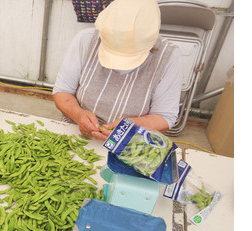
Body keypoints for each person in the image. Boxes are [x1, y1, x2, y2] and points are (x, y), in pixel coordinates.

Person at [53, 0, 182, 141]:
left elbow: (165, 117)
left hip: (133, 141)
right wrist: (79, 115)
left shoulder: (168, 56)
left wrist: (130, 127)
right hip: (77, 130)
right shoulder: (85, 39)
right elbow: (62, 91)